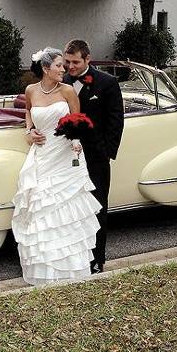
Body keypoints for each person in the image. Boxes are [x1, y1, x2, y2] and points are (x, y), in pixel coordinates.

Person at [11, 47, 102, 285]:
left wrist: (76, 140)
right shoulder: (31, 90)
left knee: (66, 207)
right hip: (42, 154)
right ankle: (44, 271)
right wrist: (30, 132)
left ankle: (71, 270)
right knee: (41, 207)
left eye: (65, 65)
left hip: (65, 156)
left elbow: (78, 119)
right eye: (59, 65)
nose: (65, 69)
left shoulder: (69, 91)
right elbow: (29, 114)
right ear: (45, 68)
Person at [62, 39, 124, 274]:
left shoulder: (107, 83)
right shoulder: (62, 81)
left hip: (97, 157)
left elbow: (116, 120)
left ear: (88, 59)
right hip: (67, 157)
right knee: (71, 207)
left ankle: (97, 259)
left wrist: (106, 152)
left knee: (97, 206)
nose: (70, 67)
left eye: (75, 62)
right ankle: (74, 258)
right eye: (67, 62)